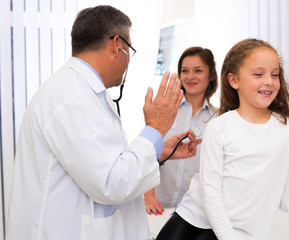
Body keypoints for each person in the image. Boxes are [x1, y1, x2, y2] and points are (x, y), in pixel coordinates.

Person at [5, 5, 201, 240]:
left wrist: (157, 150)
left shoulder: (82, 93)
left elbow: (102, 162)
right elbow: (112, 183)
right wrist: (155, 129)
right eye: (131, 49)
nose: (129, 61)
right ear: (117, 45)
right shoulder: (71, 97)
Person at [156, 38, 289, 240]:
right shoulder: (220, 127)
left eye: (275, 75)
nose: (268, 81)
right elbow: (209, 189)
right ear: (234, 80)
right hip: (192, 214)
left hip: (237, 229)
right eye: (258, 74)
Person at [144, 47, 218, 215]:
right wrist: (148, 197)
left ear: (211, 75)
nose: (190, 77)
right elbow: (147, 153)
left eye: (198, 70)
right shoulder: (164, 111)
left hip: (195, 212)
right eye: (185, 71)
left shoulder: (219, 119)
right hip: (158, 207)